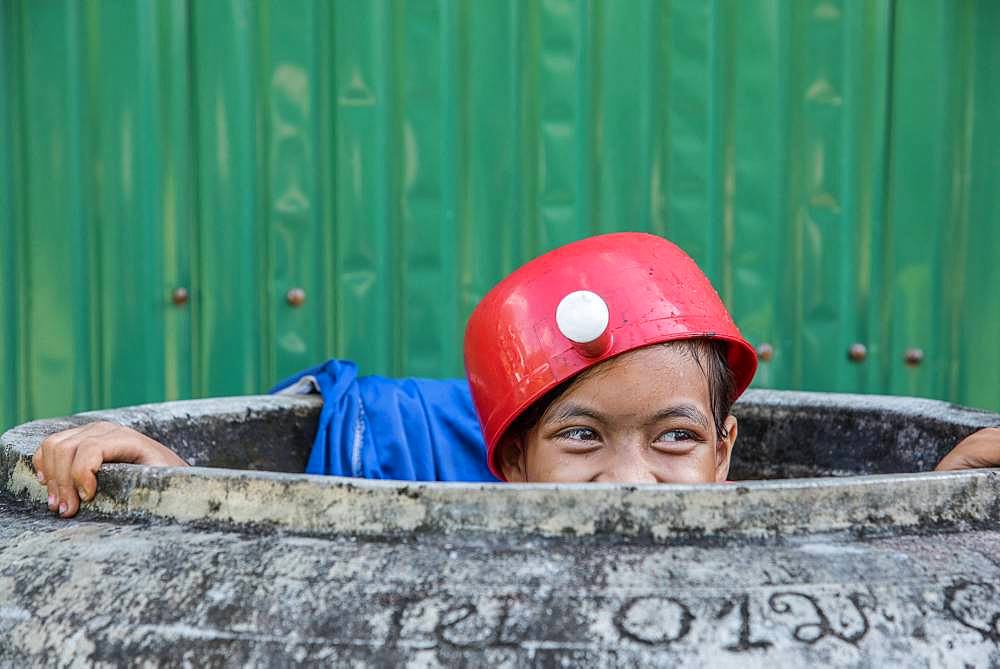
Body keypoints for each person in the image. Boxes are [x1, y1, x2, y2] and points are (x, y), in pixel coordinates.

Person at [32, 233, 1000, 518]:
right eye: (580, 436)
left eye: (674, 437)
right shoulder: (459, 515)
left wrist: (947, 491)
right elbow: (278, 512)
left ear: (724, 452)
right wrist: (158, 474)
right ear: (512, 462)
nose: (630, 479)